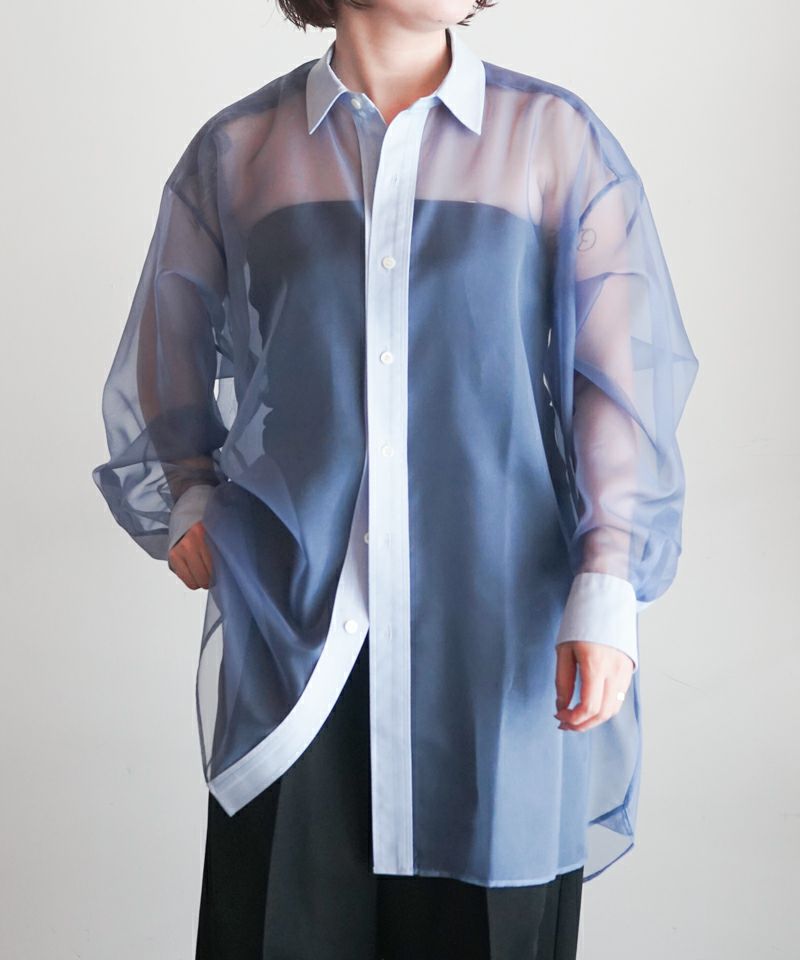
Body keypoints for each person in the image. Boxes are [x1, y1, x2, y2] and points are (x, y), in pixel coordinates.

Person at [91, 1, 700, 957]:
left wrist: (608, 574)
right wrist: (188, 493)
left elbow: (616, 381)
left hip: (495, 633)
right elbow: (167, 341)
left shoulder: (550, 140)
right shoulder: (242, 152)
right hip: (299, 639)